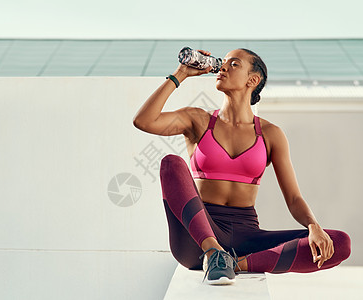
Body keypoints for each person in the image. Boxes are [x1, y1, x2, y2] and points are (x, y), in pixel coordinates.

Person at [132, 48, 351, 285]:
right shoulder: (198, 120)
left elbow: (294, 198)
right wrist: (181, 74)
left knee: (338, 242)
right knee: (170, 164)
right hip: (198, 236)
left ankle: (234, 264)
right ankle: (214, 253)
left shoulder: (270, 134)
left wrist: (313, 226)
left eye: (234, 64)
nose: (223, 67)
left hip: (247, 237)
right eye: (223, 63)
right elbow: (144, 120)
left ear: (253, 80)